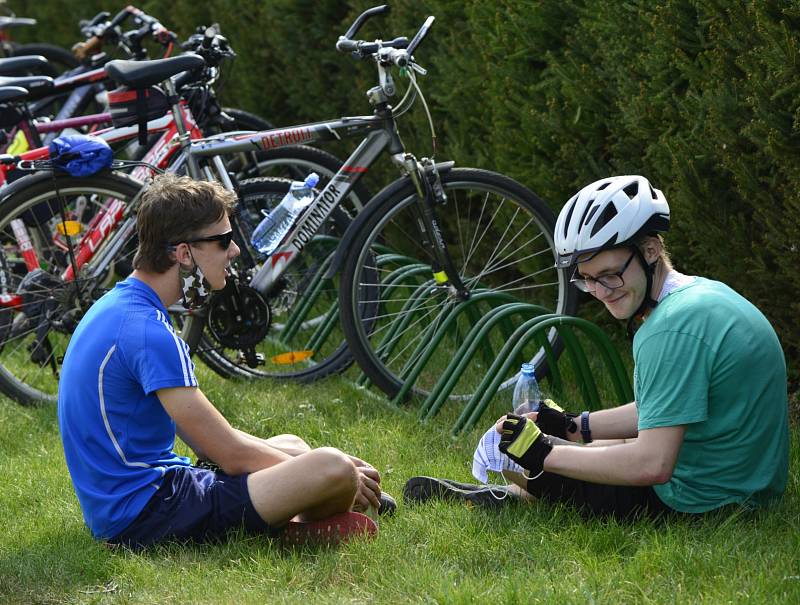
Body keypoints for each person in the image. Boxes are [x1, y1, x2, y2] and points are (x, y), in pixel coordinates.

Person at [404, 174, 789, 519]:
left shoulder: (668, 330)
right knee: (585, 444)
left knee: (516, 460)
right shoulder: (701, 295)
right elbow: (666, 407)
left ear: (651, 250)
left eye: (609, 275)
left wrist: (546, 455)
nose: (601, 292)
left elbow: (652, 463)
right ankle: (518, 490)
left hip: (702, 500)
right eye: (587, 280)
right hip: (747, 485)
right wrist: (575, 424)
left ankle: (514, 493)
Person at [58, 173, 394, 549]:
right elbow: (228, 454)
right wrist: (340, 474)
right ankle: (289, 528)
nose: (234, 250)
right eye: (222, 241)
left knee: (296, 446)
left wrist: (304, 463)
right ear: (184, 254)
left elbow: (208, 442)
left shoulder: (120, 306)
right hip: (147, 514)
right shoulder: (149, 333)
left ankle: (299, 510)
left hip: (132, 502)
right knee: (330, 466)